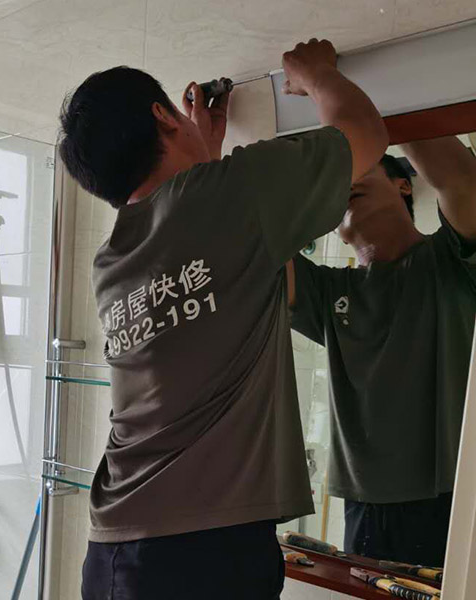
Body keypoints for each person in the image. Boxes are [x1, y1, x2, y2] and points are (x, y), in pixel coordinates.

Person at [58, 38, 388, 599]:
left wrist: (202, 157)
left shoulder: (111, 261)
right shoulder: (235, 194)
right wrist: (317, 74)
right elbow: (366, 134)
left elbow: (207, 239)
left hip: (113, 551)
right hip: (204, 552)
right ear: (164, 115)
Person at [288, 136, 476, 566]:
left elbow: (462, 181)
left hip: (452, 497)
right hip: (363, 508)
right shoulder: (328, 291)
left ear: (403, 184)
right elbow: (253, 246)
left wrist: (381, 112)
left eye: (358, 169)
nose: (343, 184)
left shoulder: (451, 257)